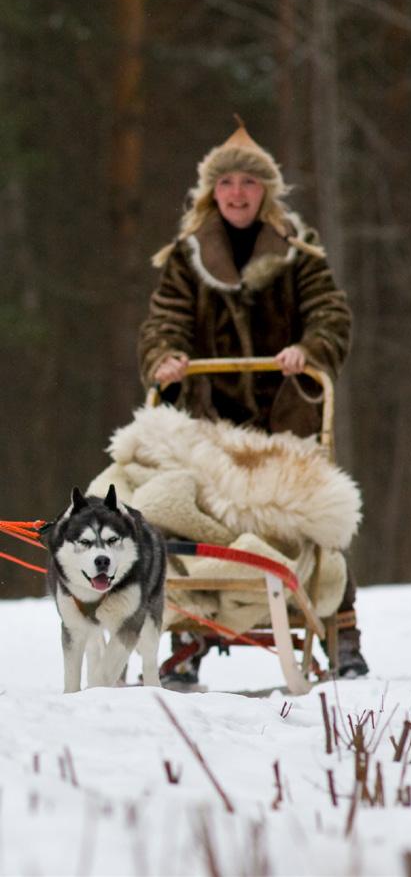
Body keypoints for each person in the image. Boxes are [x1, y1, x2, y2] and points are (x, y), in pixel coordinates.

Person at [137, 117, 368, 683]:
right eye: (227, 183)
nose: (237, 193)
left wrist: (308, 351)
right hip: (210, 418)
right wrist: (165, 357)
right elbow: (163, 320)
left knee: (308, 517)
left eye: (248, 182)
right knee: (196, 525)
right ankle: (191, 632)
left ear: (265, 191)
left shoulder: (299, 254)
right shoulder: (186, 258)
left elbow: (330, 314)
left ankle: (342, 632)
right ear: (211, 193)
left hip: (285, 413)